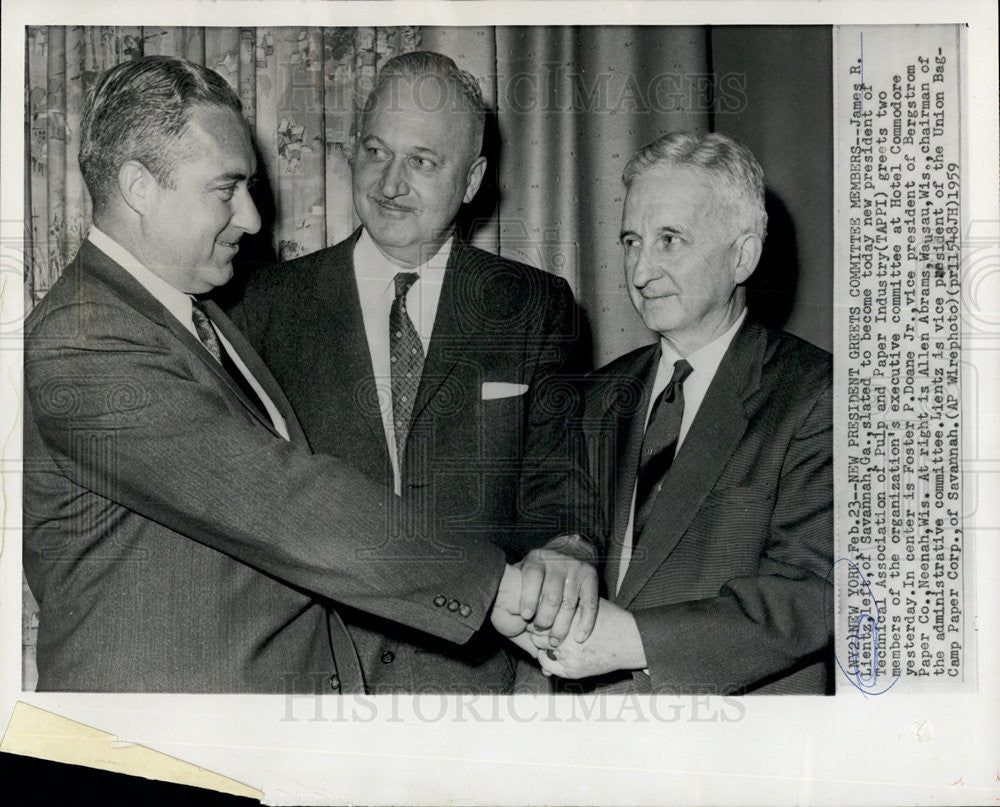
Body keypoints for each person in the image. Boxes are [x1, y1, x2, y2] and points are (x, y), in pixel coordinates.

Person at [22, 55, 590, 693]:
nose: (253, 219)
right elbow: (277, 497)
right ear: (139, 187)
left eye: (424, 161)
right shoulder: (87, 336)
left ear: (471, 178)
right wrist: (505, 591)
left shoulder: (195, 314)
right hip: (157, 734)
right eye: (225, 188)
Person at [231, 51, 599, 694]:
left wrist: (568, 543)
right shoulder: (263, 306)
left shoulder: (534, 307)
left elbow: (559, 474)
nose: (390, 183)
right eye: (375, 152)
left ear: (472, 178)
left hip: (476, 683)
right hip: (313, 677)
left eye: (422, 162)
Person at [532, 132, 833, 694]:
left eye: (670, 240)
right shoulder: (596, 396)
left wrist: (632, 642)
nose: (641, 271)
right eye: (631, 241)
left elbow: (815, 591)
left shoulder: (818, 395)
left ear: (743, 255)